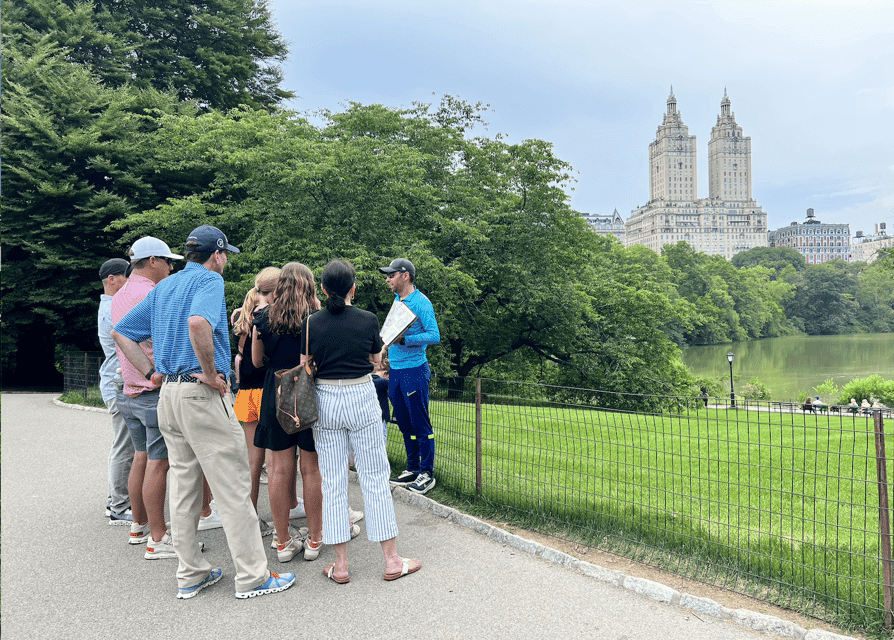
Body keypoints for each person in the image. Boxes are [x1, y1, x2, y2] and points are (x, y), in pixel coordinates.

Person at [112, 225, 294, 599]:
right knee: (232, 485)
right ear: (218, 254)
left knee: (183, 486)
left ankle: (191, 572)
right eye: (226, 256)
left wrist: (150, 373)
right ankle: (253, 577)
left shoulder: (164, 287)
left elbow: (122, 332)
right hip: (199, 395)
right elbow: (198, 323)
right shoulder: (209, 282)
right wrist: (211, 374)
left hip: (169, 399)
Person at [310, 259, 420, 584]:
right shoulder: (368, 319)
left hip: (325, 398)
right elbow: (375, 360)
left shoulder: (311, 323)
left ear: (323, 289)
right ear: (353, 288)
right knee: (374, 475)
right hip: (360, 395)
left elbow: (307, 363)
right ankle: (391, 559)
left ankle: (341, 565)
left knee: (332, 481)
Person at [111, 237, 180, 553]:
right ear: (153, 260)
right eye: (168, 261)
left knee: (141, 457)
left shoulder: (121, 293)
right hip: (152, 391)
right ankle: (158, 538)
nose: (170, 267)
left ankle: (138, 528)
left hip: (128, 392)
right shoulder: (154, 294)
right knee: (159, 463)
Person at [252, 262, 324, 562]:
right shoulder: (317, 320)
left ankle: (282, 543)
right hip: (307, 396)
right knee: (311, 469)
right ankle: (316, 539)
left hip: (275, 394)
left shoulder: (263, 318)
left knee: (279, 471)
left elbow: (257, 362)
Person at [378, 258, 440, 494]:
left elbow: (434, 335)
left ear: (405, 276)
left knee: (420, 422)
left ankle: (427, 473)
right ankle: (412, 467)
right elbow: (390, 333)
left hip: (415, 370)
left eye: (391, 275)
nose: (387, 279)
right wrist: (384, 351)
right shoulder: (397, 301)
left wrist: (407, 340)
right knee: (404, 422)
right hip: (396, 370)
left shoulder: (421, 302)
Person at [232, 267, 281, 537]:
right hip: (265, 392)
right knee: (274, 463)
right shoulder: (270, 318)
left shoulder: (243, 316)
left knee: (252, 462)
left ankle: (249, 517)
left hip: (246, 394)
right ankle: (281, 516)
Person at [98, 258, 134, 525]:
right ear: (112, 279)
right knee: (125, 447)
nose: (129, 281)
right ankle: (119, 508)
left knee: (124, 445)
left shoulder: (109, 306)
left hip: (112, 381)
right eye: (126, 277)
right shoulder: (113, 308)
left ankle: (115, 500)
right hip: (116, 383)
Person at [373, 353, 391, 441]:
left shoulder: (369, 379)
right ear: (385, 373)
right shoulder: (382, 382)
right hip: (381, 417)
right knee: (382, 439)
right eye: (389, 377)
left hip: (370, 417)